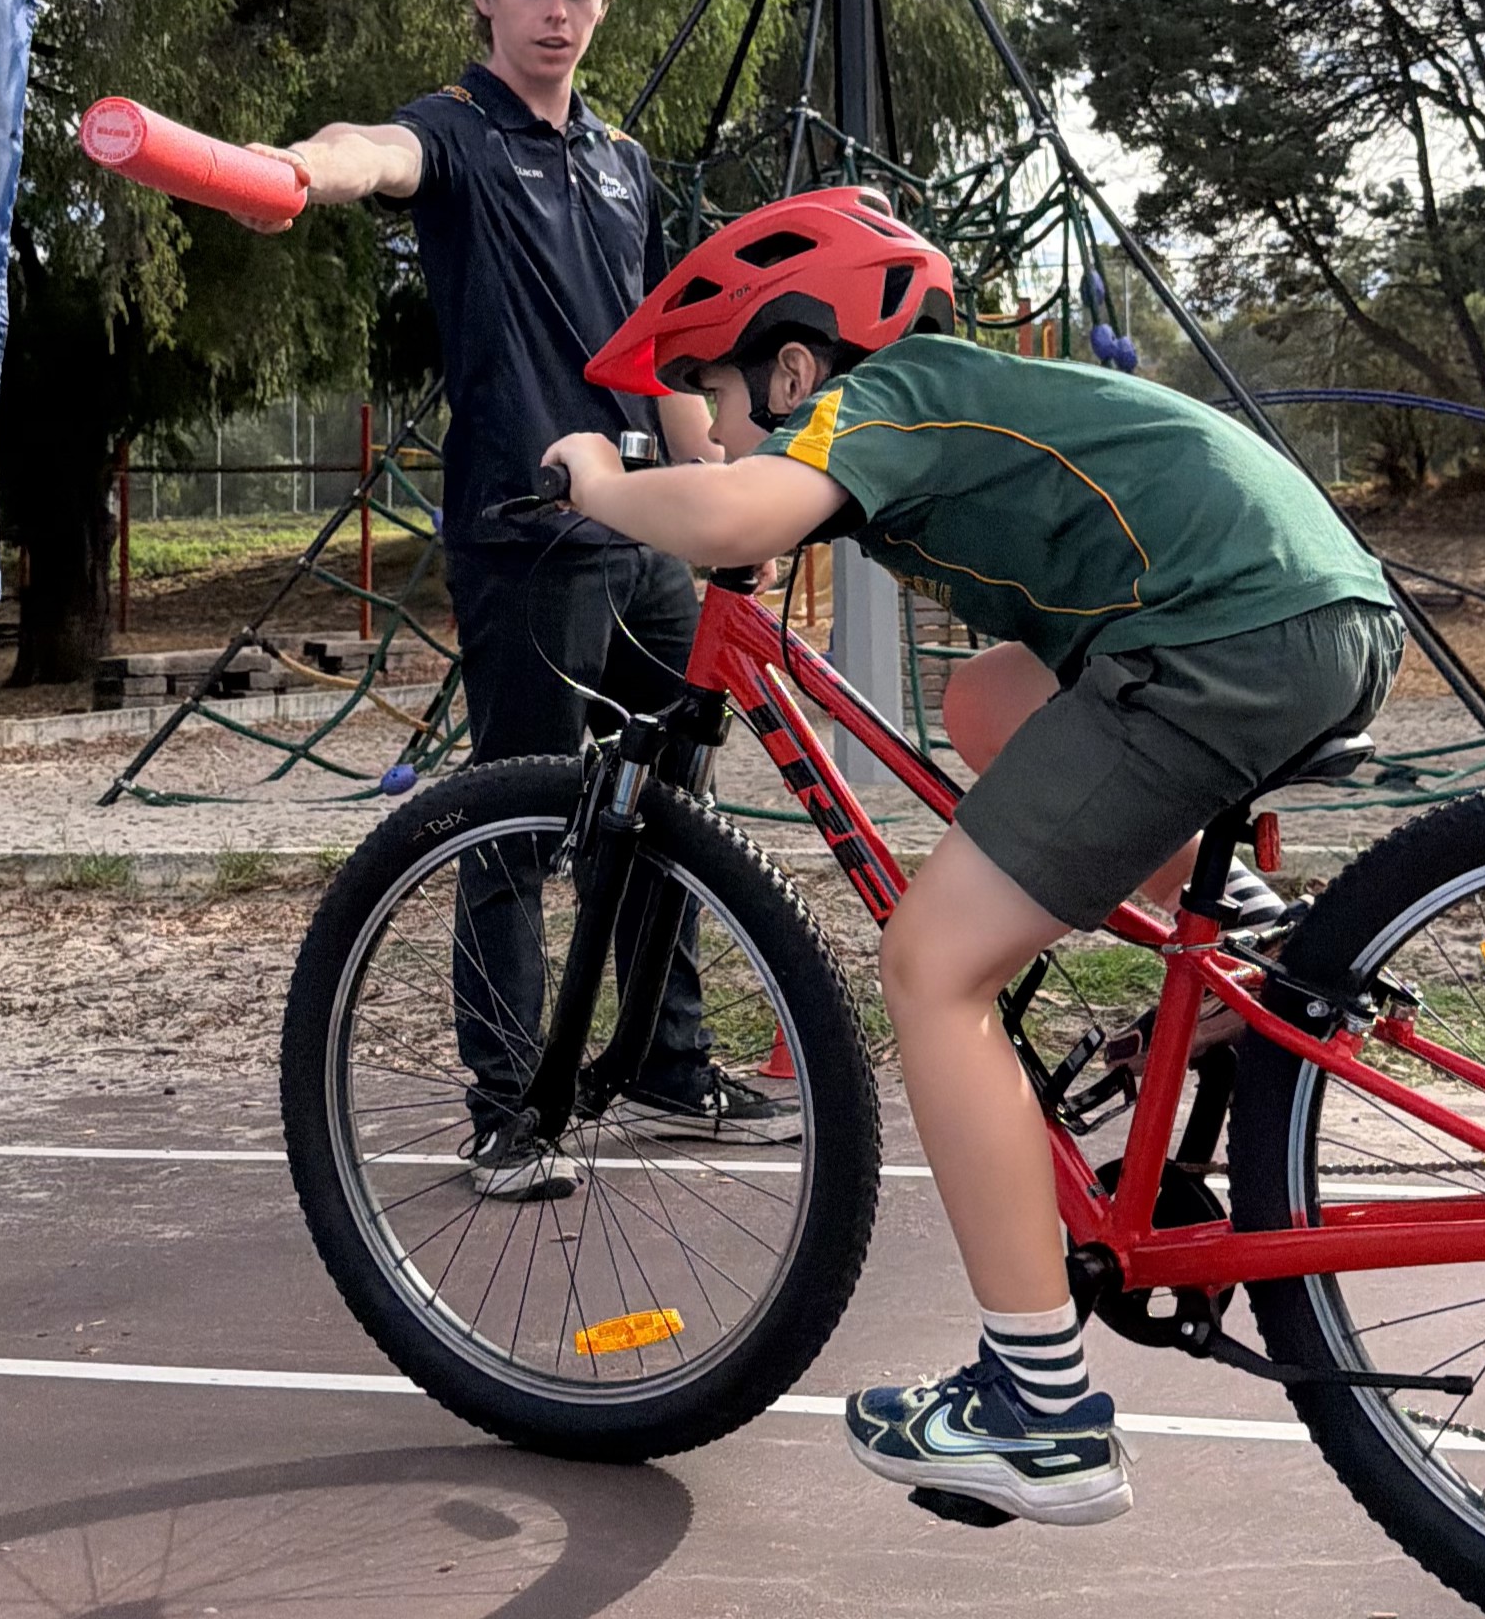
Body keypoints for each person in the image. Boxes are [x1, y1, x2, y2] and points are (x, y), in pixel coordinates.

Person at [546, 185, 1405, 1527]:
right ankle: (1242, 932)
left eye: (712, 396)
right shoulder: (955, 400)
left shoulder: (891, 398)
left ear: (794, 363)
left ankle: (1038, 1408)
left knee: (933, 964)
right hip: (1308, 612)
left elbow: (730, 518)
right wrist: (724, 483)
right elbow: (753, 503)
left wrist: (607, 483)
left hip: (1226, 637)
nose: (703, 432)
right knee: (984, 706)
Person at [245, 0, 790, 1202]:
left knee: (677, 810)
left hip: (643, 529)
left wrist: (719, 495)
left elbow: (656, 348)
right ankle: (509, 1110)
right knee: (521, 818)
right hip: (524, 531)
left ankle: (667, 1065)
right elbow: (368, 150)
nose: (561, 15)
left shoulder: (621, 161)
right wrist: (295, 171)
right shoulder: (457, 136)